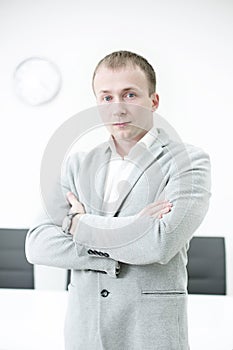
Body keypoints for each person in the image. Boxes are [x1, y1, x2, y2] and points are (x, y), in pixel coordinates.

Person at [26, 50, 211, 349]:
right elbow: (38, 244)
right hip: (85, 333)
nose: (118, 108)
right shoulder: (76, 164)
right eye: (107, 98)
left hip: (150, 335)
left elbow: (160, 243)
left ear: (154, 101)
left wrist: (78, 223)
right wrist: (134, 231)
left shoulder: (188, 161)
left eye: (130, 95)